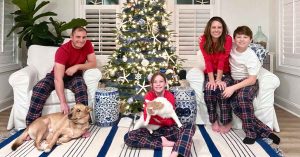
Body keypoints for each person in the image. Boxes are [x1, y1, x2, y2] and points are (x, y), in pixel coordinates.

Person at [26, 26, 97, 126]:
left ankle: (83, 126)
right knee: (39, 88)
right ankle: (31, 126)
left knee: (80, 87)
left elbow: (93, 63)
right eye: (78, 37)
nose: (81, 40)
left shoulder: (88, 44)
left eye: (84, 37)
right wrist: (63, 102)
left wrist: (77, 66)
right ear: (71, 37)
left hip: (74, 77)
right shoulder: (63, 51)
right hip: (56, 76)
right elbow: (58, 79)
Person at [222, 26, 280, 145]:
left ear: (251, 39)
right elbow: (220, 39)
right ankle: (266, 131)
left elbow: (252, 80)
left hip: (248, 82)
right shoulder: (231, 47)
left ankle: (251, 133)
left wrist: (232, 88)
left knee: (242, 98)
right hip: (235, 81)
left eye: (245, 37)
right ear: (234, 39)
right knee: (234, 104)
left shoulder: (251, 56)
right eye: (239, 37)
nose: (242, 39)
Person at [124, 72, 196, 157]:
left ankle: (176, 153)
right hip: (151, 130)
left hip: (168, 129)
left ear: (165, 83)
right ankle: (163, 142)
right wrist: (159, 118)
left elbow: (170, 122)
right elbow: (147, 117)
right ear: (151, 84)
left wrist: (157, 118)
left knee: (190, 126)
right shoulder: (149, 96)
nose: (158, 84)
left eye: (161, 81)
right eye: (155, 82)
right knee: (128, 137)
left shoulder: (169, 96)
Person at [199, 16, 233, 133]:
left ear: (223, 29)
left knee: (221, 89)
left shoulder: (227, 39)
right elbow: (207, 60)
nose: (216, 30)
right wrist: (211, 80)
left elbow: (222, 59)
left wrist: (218, 80)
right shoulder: (203, 40)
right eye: (213, 27)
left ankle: (226, 121)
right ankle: (214, 120)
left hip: (225, 73)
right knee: (209, 91)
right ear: (209, 28)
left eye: (219, 27)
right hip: (209, 73)